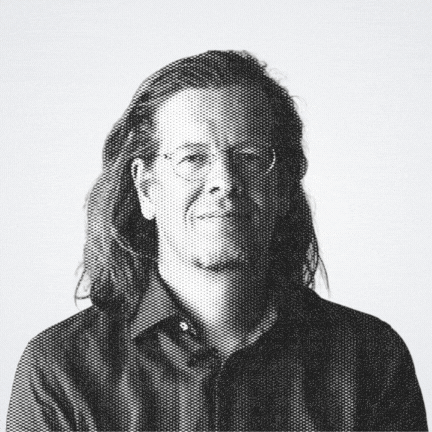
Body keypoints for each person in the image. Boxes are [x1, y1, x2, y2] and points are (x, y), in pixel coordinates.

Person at [7, 50, 427, 431]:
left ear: (283, 188)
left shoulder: (372, 359)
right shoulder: (60, 368)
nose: (224, 181)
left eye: (250, 157)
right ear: (146, 188)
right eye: (192, 158)